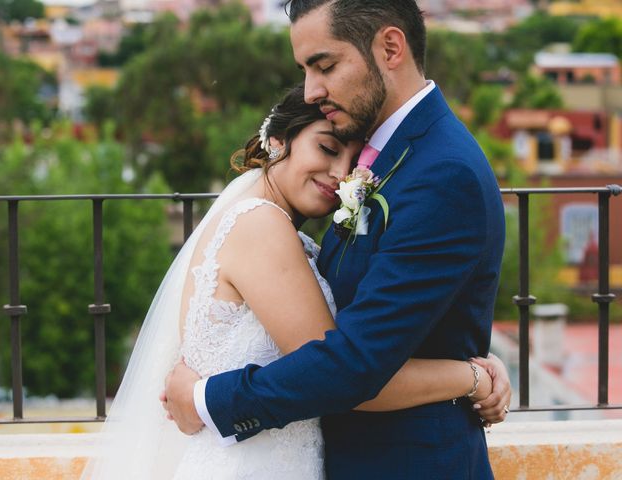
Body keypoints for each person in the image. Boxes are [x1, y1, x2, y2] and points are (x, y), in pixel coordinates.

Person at [82, 85, 509, 479]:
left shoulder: (280, 231)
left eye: (354, 161)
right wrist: (471, 376)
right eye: (327, 148)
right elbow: (345, 377)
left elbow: (357, 349)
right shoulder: (261, 227)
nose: (340, 173)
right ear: (278, 141)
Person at [163, 1, 508, 479]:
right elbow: (378, 316)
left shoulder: (442, 173)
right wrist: (471, 373)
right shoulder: (383, 156)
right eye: (305, 69)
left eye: (324, 65)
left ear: (390, 47)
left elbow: (356, 361)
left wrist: (206, 399)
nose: (312, 90)